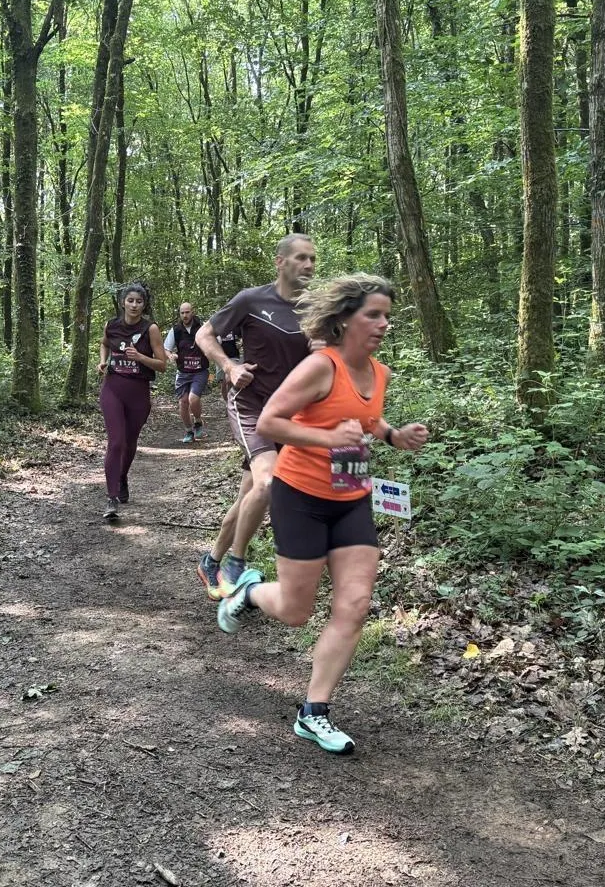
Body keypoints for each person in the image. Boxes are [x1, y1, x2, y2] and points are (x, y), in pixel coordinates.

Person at [214, 274, 429, 755]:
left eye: (387, 316)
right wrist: (328, 438)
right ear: (345, 319)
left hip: (351, 496)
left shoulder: (379, 373)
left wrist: (394, 435)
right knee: (296, 611)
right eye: (373, 314)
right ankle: (250, 592)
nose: (384, 324)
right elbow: (270, 421)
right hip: (301, 497)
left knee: (354, 604)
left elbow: (367, 419)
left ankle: (314, 712)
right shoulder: (319, 366)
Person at [193, 234, 317, 600]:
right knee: (268, 483)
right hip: (250, 404)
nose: (309, 265)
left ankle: (211, 561)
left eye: (312, 258)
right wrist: (229, 366)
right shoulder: (251, 299)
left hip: (288, 413)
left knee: (252, 492)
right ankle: (236, 565)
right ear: (280, 262)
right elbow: (205, 334)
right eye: (301, 258)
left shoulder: (316, 309)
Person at [97, 283, 167, 522]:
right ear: (123, 302)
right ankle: (111, 497)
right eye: (130, 300)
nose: (134, 305)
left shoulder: (150, 329)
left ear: (144, 305)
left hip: (138, 392)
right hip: (113, 388)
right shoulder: (111, 325)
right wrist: (103, 361)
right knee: (116, 441)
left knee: (129, 442)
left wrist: (140, 357)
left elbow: (162, 365)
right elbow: (104, 343)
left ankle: (122, 476)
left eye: (139, 301)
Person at [163, 302, 208, 443]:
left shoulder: (202, 327)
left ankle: (198, 422)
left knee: (193, 399)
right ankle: (189, 431)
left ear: (192, 312)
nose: (185, 315)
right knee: (183, 402)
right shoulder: (176, 330)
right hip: (183, 372)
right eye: (182, 313)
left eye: (187, 312)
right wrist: (170, 355)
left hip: (200, 371)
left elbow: (215, 340)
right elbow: (166, 348)